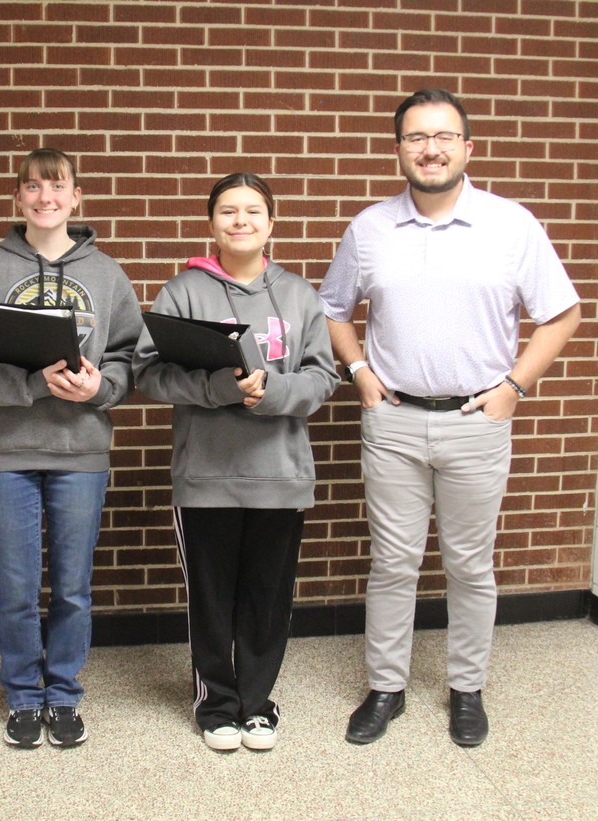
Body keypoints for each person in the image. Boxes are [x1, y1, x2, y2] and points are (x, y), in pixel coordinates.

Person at [319, 89, 581, 747]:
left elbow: (562, 313)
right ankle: (385, 687)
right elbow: (332, 310)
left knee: (469, 564)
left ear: (468, 147)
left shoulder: (511, 224)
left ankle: (467, 688)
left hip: (476, 421)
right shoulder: (370, 227)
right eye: (415, 137)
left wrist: (514, 387)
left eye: (442, 136)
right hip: (395, 419)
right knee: (393, 562)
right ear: (399, 149)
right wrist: (360, 374)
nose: (430, 148)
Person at [0, 148, 142, 749]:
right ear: (17, 199)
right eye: (33, 187)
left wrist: (100, 387)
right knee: (19, 585)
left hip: (81, 450)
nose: (45, 197)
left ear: (76, 198)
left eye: (57, 187)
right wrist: (28, 384)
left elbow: (132, 357)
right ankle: (23, 696)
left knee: (74, 584)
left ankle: (64, 694)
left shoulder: (105, 274)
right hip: (8, 450)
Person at [132, 173, 339, 751]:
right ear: (211, 224)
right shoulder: (184, 292)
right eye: (228, 211)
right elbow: (149, 374)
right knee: (212, 597)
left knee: (267, 599)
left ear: (271, 224)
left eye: (253, 211)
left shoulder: (299, 295)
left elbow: (324, 377)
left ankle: (257, 703)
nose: (240, 220)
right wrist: (221, 388)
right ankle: (216, 703)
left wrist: (269, 391)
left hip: (280, 474)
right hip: (207, 477)